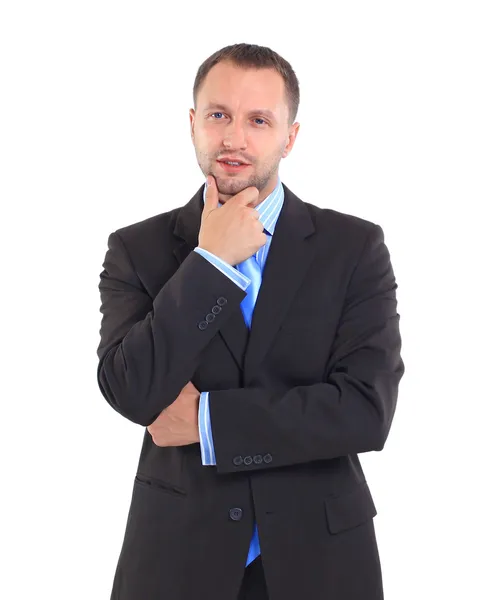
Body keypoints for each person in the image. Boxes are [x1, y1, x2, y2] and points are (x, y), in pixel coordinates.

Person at [96, 42, 405, 600]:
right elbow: (131, 390)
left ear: (289, 137)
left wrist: (208, 422)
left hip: (323, 561)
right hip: (176, 561)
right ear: (193, 124)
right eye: (219, 115)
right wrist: (209, 263)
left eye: (259, 120)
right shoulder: (136, 250)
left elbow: (365, 411)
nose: (234, 138)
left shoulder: (354, 248)